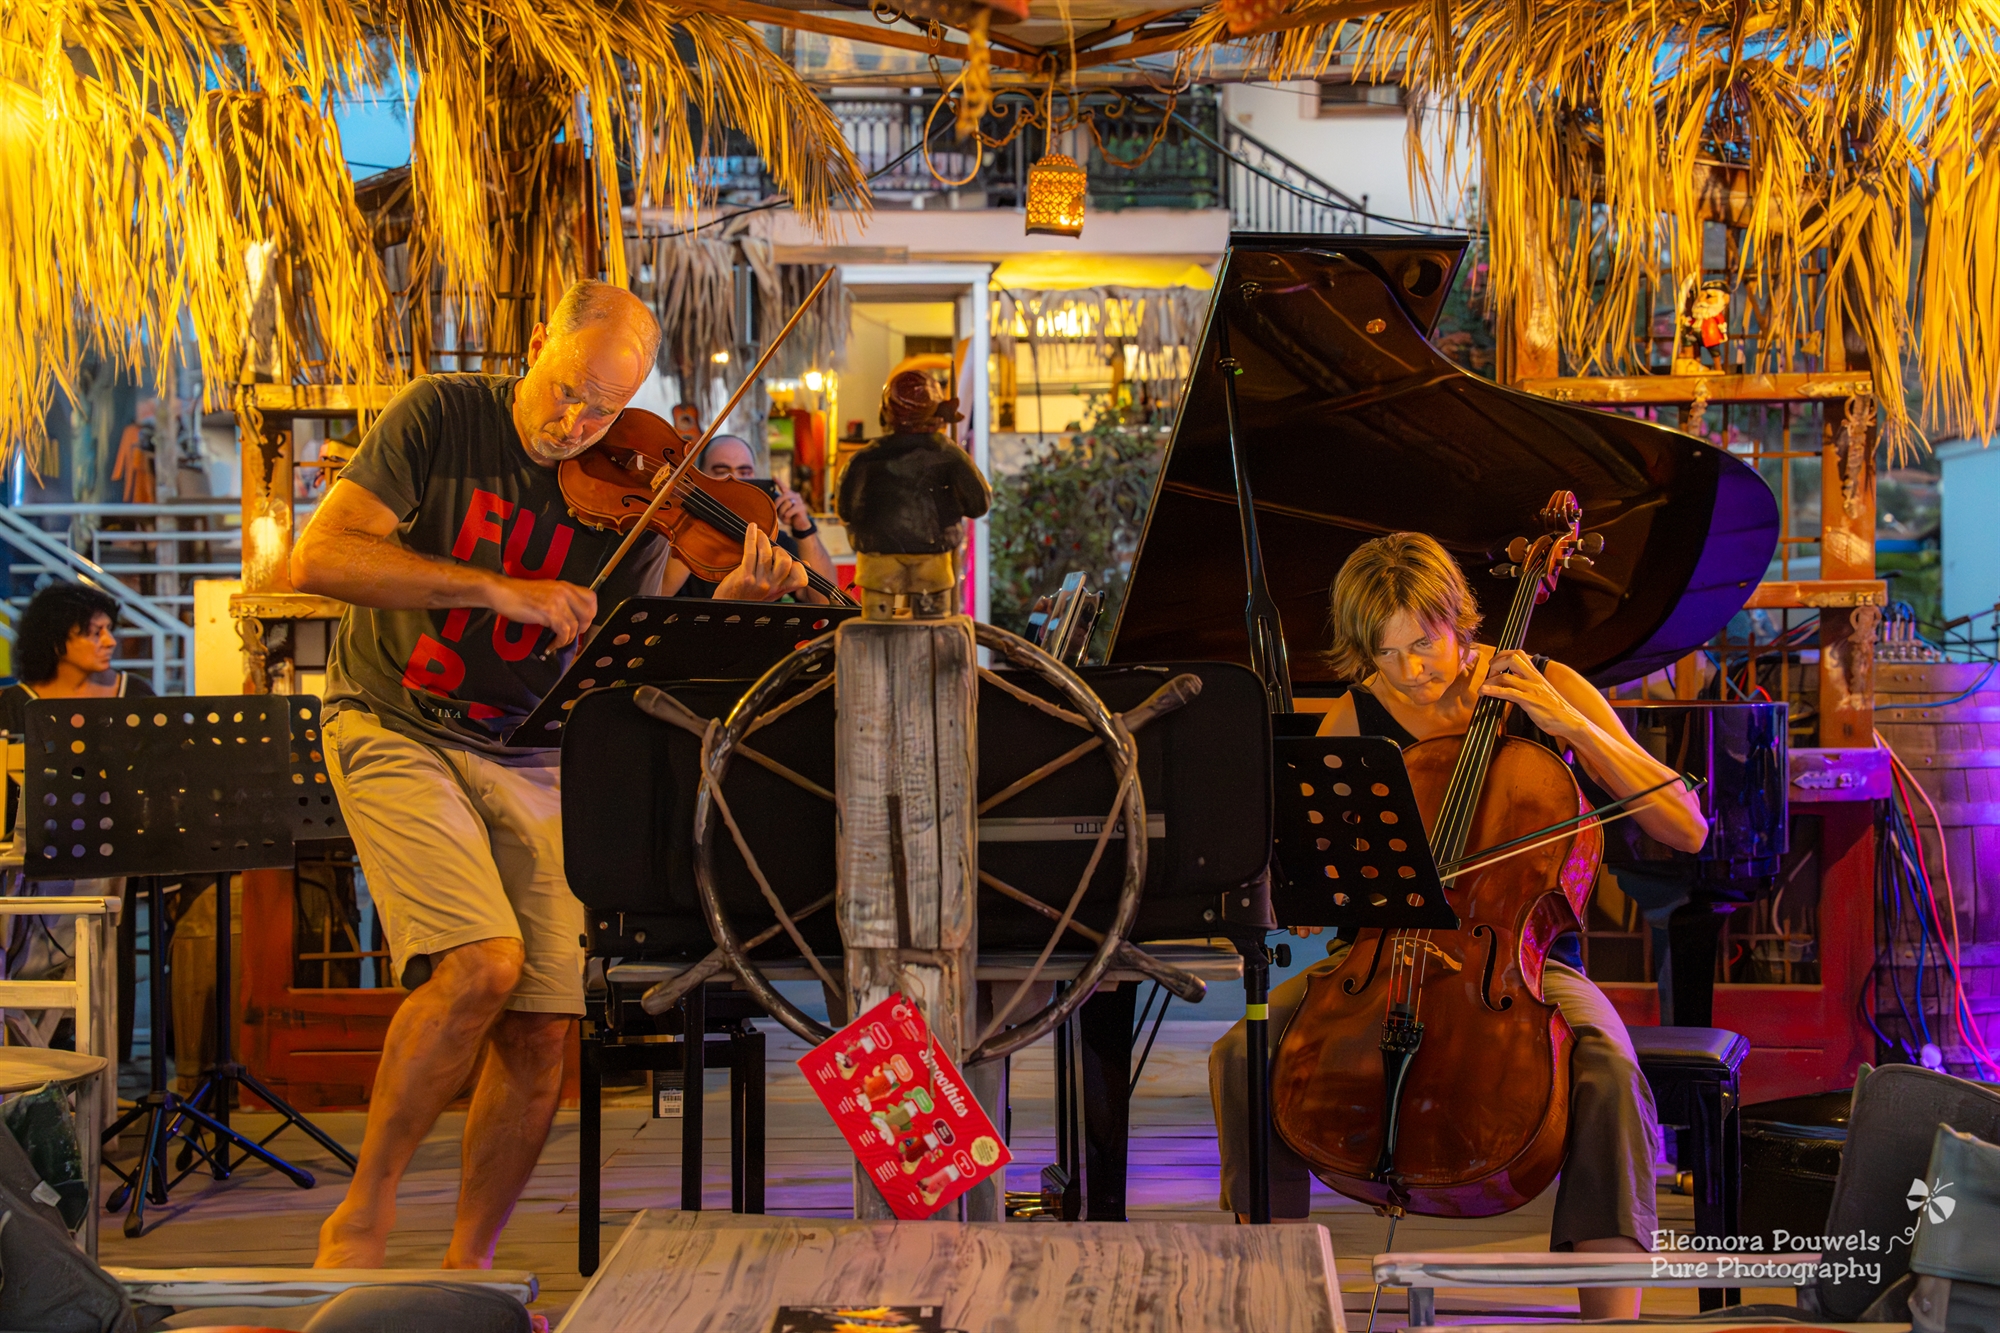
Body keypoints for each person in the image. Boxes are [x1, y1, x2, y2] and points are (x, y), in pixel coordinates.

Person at [292, 279, 802, 1271]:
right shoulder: (441, 415)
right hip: (396, 717)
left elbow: (630, 658)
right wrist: (494, 588)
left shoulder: (644, 491)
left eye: (606, 408)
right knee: (479, 962)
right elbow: (320, 556)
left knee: (543, 1026)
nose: (579, 425)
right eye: (567, 390)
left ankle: (468, 1268)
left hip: (531, 745)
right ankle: (363, 1212)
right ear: (533, 345)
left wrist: (726, 603)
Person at [1209, 532, 1707, 1321]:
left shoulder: (1546, 683)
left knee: (1606, 1065)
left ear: (1459, 618)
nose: (1408, 669)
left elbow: (1686, 825)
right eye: (1384, 651)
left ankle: (1613, 1312)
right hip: (1378, 953)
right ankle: (1274, 1286)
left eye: (1422, 642)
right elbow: (1327, 865)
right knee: (1242, 1054)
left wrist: (1567, 724)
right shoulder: (1358, 714)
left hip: (1519, 959)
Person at [662, 435, 832, 603]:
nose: (735, 481)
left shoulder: (769, 537)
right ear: (699, 477)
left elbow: (826, 601)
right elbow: (659, 593)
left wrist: (804, 527)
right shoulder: (673, 535)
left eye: (744, 472)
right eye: (721, 472)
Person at [0, 581, 155, 736]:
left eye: (109, 629)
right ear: (56, 641)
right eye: (95, 633)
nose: (111, 642)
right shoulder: (15, 704)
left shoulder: (136, 692)